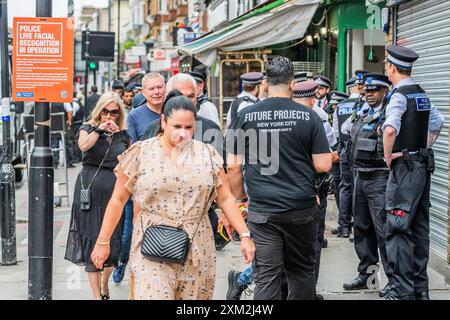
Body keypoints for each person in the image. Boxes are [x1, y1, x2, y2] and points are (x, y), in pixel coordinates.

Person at [91, 94, 255, 300]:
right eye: (177, 126)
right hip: (152, 245)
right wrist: (103, 241)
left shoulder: (207, 154)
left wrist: (245, 235)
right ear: (163, 122)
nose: (183, 134)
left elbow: (225, 199)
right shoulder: (141, 153)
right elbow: (118, 199)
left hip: (198, 246)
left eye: (188, 128)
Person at [225, 56, 332, 300]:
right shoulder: (309, 116)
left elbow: (233, 166)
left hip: (263, 213)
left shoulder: (245, 116)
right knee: (302, 273)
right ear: (292, 84)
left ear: (265, 84)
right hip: (301, 210)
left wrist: (241, 197)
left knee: (267, 277)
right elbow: (323, 164)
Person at [382, 45, 443, 300]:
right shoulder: (421, 93)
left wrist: (388, 156)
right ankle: (421, 290)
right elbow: (437, 123)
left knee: (397, 229)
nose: (386, 69)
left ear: (393, 68)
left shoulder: (398, 95)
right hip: (421, 168)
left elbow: (389, 129)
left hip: (404, 171)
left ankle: (401, 291)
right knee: (419, 229)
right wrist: (422, 147)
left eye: (387, 65)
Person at [142, 74, 226, 252]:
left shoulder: (210, 129)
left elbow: (222, 179)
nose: (185, 101)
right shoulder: (152, 130)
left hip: (199, 220)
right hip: (159, 222)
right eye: (179, 95)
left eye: (190, 96)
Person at [65, 92, 130, 300]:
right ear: (98, 111)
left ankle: (104, 283)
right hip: (90, 193)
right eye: (105, 111)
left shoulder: (124, 135)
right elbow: (83, 146)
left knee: (114, 247)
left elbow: (129, 162)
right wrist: (100, 129)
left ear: (119, 114)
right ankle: (96, 296)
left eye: (114, 112)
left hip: (115, 195)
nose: (109, 116)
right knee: (92, 243)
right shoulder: (88, 128)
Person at [343, 73, 392, 293]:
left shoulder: (390, 113)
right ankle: (368, 276)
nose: (369, 95)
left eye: (374, 91)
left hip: (379, 178)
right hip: (359, 177)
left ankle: (393, 280)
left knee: (383, 231)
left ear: (384, 92)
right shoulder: (362, 113)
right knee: (362, 228)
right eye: (367, 92)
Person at [331, 77, 359, 237]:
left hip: (343, 149)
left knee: (345, 186)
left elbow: (336, 132)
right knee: (358, 187)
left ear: (349, 88)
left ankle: (344, 226)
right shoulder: (363, 105)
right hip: (359, 150)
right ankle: (357, 224)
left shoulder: (340, 107)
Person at [127, 73, 166, 143]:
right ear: (143, 92)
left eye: (159, 87)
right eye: (152, 89)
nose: (156, 92)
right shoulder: (134, 116)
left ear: (165, 88)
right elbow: (132, 149)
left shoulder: (173, 111)